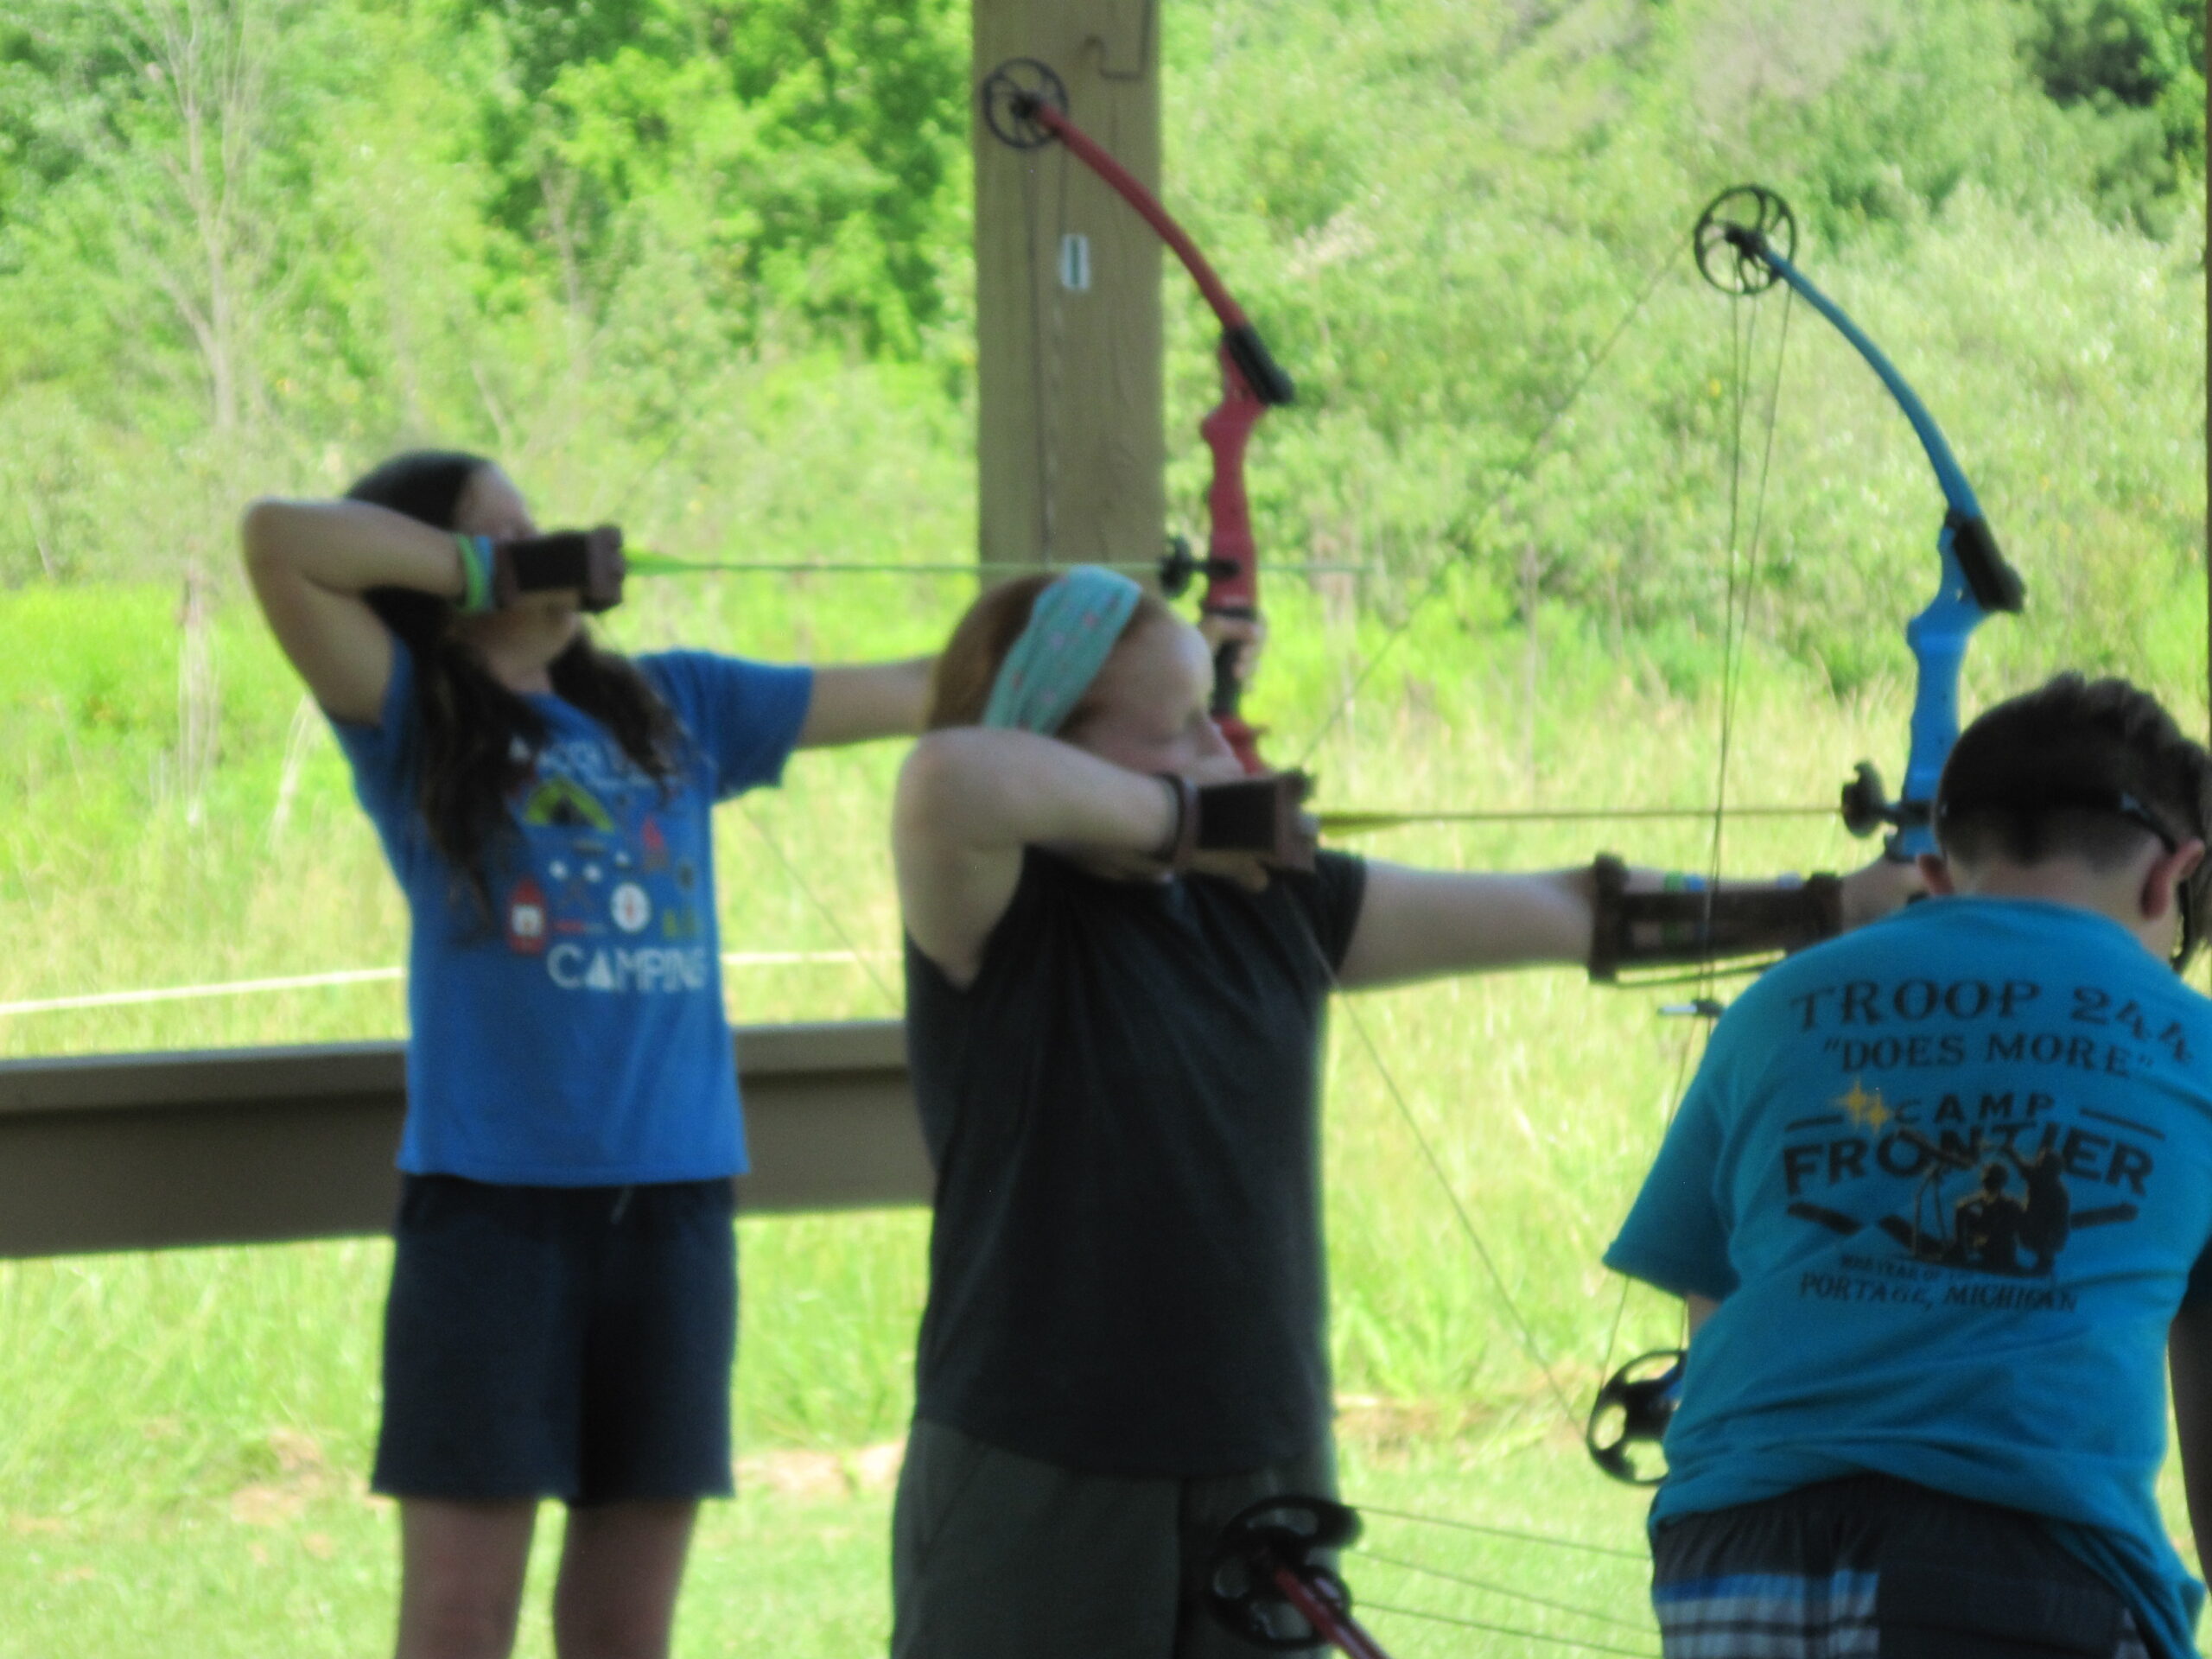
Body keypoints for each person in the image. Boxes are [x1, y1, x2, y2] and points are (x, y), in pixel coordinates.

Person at [886, 564, 1914, 1657]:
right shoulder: (996, 917)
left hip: (1258, 1455)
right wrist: (1191, 817)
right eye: (1178, 730)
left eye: (1214, 721)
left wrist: (1825, 908)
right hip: (1034, 1461)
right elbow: (950, 778)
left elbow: (1570, 912)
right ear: (1050, 740)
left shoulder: (1269, 904)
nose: (1225, 752)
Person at [238, 450, 931, 1659]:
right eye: (495, 536)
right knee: (462, 1618)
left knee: (624, 1627)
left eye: (535, 526)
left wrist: (1118, 637)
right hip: (491, 1214)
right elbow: (277, 538)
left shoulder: (680, 702)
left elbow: (932, 686)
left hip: (670, 1209)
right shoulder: (412, 707)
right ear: (437, 572)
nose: (537, 544)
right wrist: (481, 572)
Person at [1605, 674, 2212, 1659]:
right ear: (2169, 877)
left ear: (1934, 868)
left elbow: (1714, 1316)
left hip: (1726, 1564)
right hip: (2023, 1572)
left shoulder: (1773, 1010)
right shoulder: (2195, 1046)